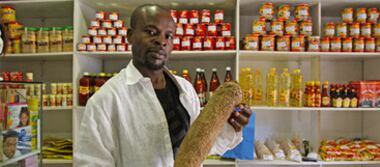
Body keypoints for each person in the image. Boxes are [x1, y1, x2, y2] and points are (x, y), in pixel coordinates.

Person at [75, 4, 251, 166]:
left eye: (168, 35)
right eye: (151, 32)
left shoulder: (186, 89)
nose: (162, 41)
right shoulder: (105, 100)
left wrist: (230, 126)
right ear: (130, 36)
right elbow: (91, 163)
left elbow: (201, 147)